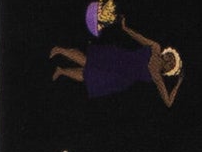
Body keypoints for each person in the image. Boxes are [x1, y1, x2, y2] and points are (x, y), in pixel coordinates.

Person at [50, 14, 183, 107]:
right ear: (167, 54)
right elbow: (139, 37)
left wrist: (178, 84)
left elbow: (168, 102)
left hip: (120, 77)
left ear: (169, 69)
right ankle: (60, 50)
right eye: (171, 57)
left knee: (90, 77)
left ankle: (61, 71)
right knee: (89, 61)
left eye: (172, 63)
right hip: (120, 59)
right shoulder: (156, 48)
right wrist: (125, 28)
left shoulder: (157, 77)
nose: (170, 60)